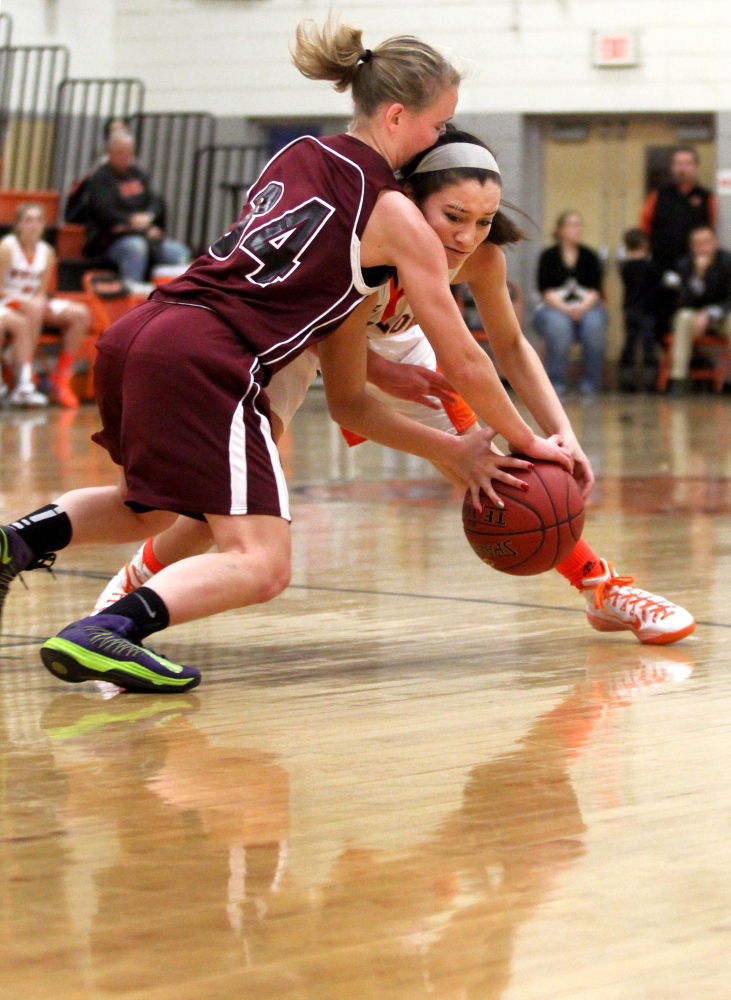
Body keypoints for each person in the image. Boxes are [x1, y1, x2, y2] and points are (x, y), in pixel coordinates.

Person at [0, 19, 573, 694]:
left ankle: (16, 541)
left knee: (153, 506)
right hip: (209, 357)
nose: (440, 138)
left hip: (145, 331)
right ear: (396, 114)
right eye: (437, 124)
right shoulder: (392, 212)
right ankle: (107, 631)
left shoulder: (297, 154)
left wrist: (388, 371)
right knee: (262, 563)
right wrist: (527, 443)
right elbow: (467, 359)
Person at [95, 130, 694, 646]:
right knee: (219, 503)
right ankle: (132, 584)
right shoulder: (368, 248)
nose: (467, 236)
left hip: (398, 338)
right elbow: (351, 397)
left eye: (482, 220)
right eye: (453, 217)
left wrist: (558, 435)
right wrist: (440, 434)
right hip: (296, 339)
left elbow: (509, 347)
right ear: (410, 203)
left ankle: (600, 587)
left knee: (506, 474)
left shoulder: (480, 256)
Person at [0, 202, 91, 407]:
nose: (33, 225)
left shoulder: (47, 252)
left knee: (80, 314)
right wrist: (27, 302)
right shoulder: (7, 247)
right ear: (18, 224)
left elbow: (41, 291)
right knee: (34, 307)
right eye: (28, 220)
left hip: (33, 304)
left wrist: (37, 301)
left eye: (38, 220)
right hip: (6, 300)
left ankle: (61, 377)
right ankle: (25, 371)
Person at [83, 130, 189, 283]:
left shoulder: (138, 174)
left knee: (180, 252)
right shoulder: (100, 178)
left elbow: (156, 202)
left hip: (145, 235)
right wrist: (131, 222)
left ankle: (174, 299)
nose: (125, 156)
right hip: (110, 241)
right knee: (135, 248)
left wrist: (149, 218)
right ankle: (133, 293)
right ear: (109, 152)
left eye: (129, 152)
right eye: (120, 152)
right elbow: (105, 212)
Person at [533, 211, 607, 396]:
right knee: (559, 327)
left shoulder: (589, 255)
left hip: (587, 306)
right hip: (554, 307)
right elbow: (545, 290)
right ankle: (555, 382)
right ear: (560, 229)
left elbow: (596, 290)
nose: (577, 229)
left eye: (579, 224)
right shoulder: (548, 256)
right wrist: (566, 309)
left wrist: (581, 308)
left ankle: (591, 383)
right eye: (572, 224)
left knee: (594, 326)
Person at [665, 225, 731, 392]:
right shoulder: (684, 264)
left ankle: (728, 379)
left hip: (722, 315)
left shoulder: (727, 262)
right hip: (695, 316)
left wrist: (709, 313)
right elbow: (685, 300)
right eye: (698, 244)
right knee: (682, 316)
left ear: (715, 243)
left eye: (707, 242)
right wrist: (699, 274)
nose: (703, 248)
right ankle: (678, 379)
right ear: (692, 247)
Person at [640, 146, 716, 271]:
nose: (682, 168)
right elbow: (644, 227)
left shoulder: (707, 198)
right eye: (679, 163)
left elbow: (711, 229)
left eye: (688, 164)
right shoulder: (657, 196)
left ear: (696, 167)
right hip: (661, 265)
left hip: (695, 267)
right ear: (672, 167)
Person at [618, 228, 664, 392]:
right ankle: (651, 382)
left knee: (629, 345)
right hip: (649, 312)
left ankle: (626, 381)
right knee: (648, 346)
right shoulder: (653, 267)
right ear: (645, 244)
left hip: (630, 310)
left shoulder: (625, 267)